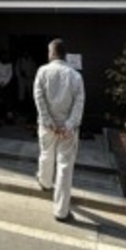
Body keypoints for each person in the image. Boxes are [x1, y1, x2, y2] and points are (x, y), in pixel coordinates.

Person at [33, 38, 85, 222]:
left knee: (46, 154)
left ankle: (45, 183)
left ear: (53, 53)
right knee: (64, 167)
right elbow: (79, 103)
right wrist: (68, 125)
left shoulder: (42, 71)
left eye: (49, 51)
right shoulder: (75, 76)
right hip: (67, 129)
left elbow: (39, 98)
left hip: (47, 126)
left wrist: (48, 122)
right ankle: (61, 211)